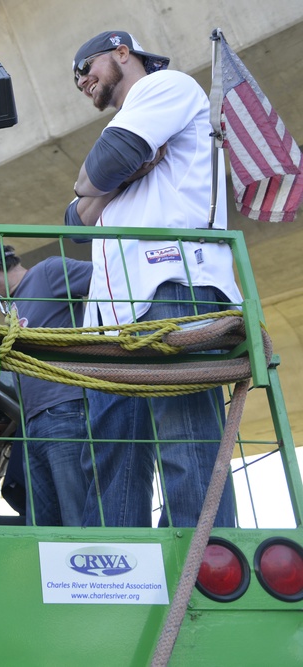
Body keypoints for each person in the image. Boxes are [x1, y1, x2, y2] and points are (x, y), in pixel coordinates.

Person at [68, 30, 241, 527]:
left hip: (171, 288)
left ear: (123, 53)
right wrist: (114, 176)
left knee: (186, 444)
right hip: (112, 316)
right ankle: (123, 586)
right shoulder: (132, 118)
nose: (82, 80)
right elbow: (75, 218)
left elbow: (97, 172)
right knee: (112, 459)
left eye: (87, 65)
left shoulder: (166, 88)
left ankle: (205, 580)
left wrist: (102, 180)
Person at [0, 242, 92, 526]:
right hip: (33, 421)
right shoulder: (14, 305)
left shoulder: (49, 272)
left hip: (64, 408)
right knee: (42, 523)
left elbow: (107, 278)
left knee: (76, 513)